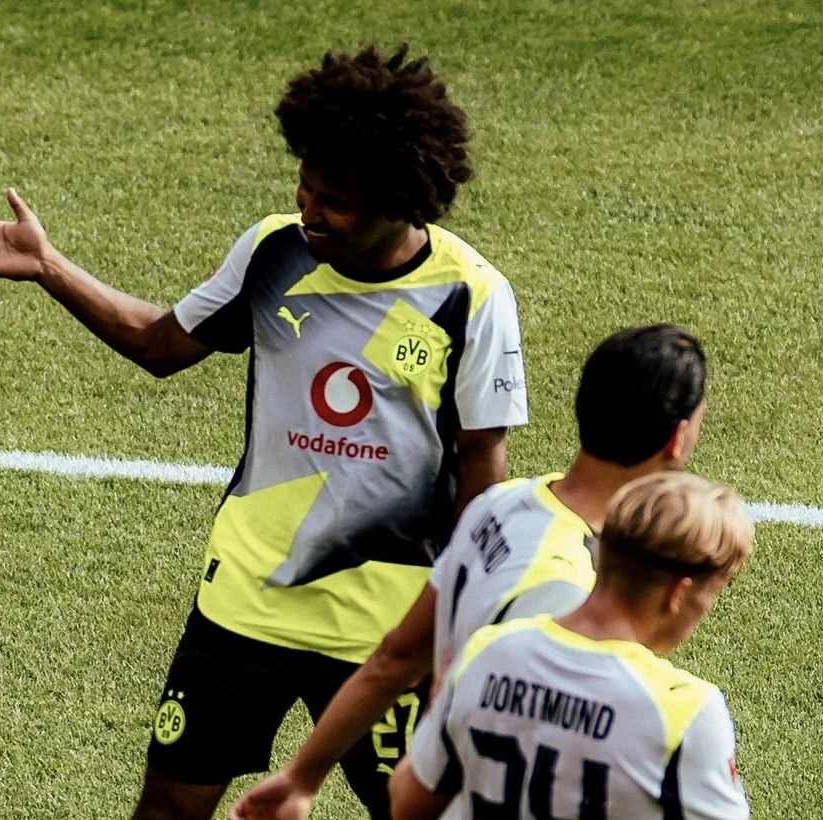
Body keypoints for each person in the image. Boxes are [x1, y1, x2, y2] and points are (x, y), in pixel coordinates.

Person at [0, 45, 528, 820]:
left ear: (400, 200)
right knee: (167, 810)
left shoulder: (471, 297)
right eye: (306, 186)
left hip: (384, 628)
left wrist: (458, 624)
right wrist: (51, 267)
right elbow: (161, 344)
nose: (310, 210)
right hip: (247, 601)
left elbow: (482, 468)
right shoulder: (274, 251)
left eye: (336, 201)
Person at [231, 324, 709, 820]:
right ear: (677, 438)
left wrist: (303, 775)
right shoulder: (570, 588)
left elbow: (396, 658)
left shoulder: (505, 504)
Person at [389, 472, 753, 819]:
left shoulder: (487, 652)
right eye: (712, 592)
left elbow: (406, 806)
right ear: (678, 593)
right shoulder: (684, 713)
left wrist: (438, 706)